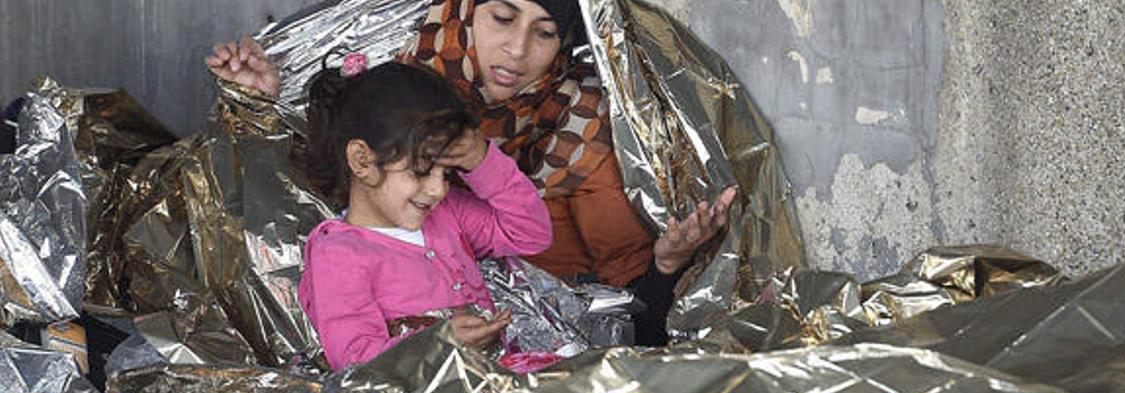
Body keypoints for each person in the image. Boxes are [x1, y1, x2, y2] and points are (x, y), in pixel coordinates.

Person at [206, 0, 736, 347]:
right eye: (502, 18)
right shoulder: (393, 101)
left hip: (529, 334)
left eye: (546, 32)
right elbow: (358, 355)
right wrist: (260, 105)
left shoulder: (574, 125)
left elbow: (534, 235)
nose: (518, 50)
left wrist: (481, 159)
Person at [295, 58, 551, 370]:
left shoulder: (448, 212)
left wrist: (480, 159)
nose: (438, 190)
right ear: (362, 160)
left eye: (447, 173)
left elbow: (530, 234)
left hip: (493, 384)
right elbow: (354, 361)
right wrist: (439, 345)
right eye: (421, 171)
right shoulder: (338, 256)